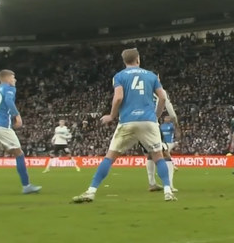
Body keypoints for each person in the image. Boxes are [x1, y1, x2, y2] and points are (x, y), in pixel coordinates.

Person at [71, 48, 176, 203]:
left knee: (110, 157)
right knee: (158, 157)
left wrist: (112, 115)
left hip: (127, 120)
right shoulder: (151, 76)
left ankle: (91, 191)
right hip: (148, 120)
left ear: (124, 61)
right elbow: (162, 97)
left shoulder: (119, 76)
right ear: (138, 59)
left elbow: (118, 97)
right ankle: (168, 191)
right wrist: (156, 115)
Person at [0, 69, 42, 194]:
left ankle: (27, 186)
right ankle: (26, 186)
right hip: (2, 125)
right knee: (19, 153)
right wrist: (17, 116)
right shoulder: (9, 88)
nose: (15, 80)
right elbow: (9, 101)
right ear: (6, 79)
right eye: (13, 77)